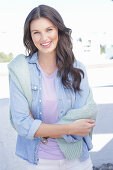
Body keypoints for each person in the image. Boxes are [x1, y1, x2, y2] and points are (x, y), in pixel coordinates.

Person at [8, 4, 97, 170]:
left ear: (59, 30)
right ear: (30, 36)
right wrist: (70, 127)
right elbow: (22, 124)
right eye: (36, 32)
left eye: (49, 29)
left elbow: (85, 121)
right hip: (39, 162)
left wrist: (39, 129)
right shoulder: (20, 70)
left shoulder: (77, 69)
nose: (44, 38)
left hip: (78, 160)